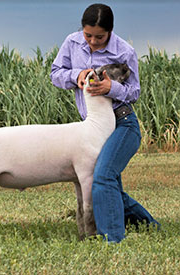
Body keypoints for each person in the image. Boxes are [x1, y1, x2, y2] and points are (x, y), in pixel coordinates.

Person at [50, 3, 160, 243]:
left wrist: (113, 87)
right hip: (91, 127)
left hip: (122, 123)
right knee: (110, 188)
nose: (93, 41)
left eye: (99, 37)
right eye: (88, 35)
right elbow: (55, 73)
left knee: (102, 177)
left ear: (110, 31)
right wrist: (75, 75)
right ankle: (150, 226)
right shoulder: (72, 42)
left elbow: (135, 93)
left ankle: (112, 239)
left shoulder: (124, 50)